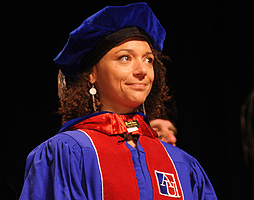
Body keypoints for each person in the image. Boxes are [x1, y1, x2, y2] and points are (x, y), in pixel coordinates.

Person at [19, 3, 217, 199]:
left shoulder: (180, 163)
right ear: (92, 74)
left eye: (148, 59)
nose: (142, 70)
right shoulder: (69, 153)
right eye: (125, 58)